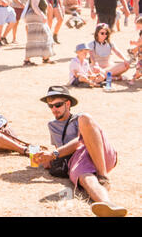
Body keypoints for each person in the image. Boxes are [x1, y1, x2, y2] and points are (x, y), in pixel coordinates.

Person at [35, 86, 127, 217]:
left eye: (58, 105)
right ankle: (108, 205)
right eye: (50, 106)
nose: (54, 109)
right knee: (86, 179)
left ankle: (103, 176)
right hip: (77, 160)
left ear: (68, 104)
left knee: (85, 117)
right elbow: (60, 149)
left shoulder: (79, 119)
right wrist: (49, 158)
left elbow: (78, 142)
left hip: (99, 153)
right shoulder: (52, 125)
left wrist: (54, 154)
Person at [23, 0, 56, 66]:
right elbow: (34, 5)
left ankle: (45, 58)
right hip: (35, 18)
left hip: (36, 17)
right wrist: (42, 15)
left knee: (44, 36)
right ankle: (27, 60)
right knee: (36, 38)